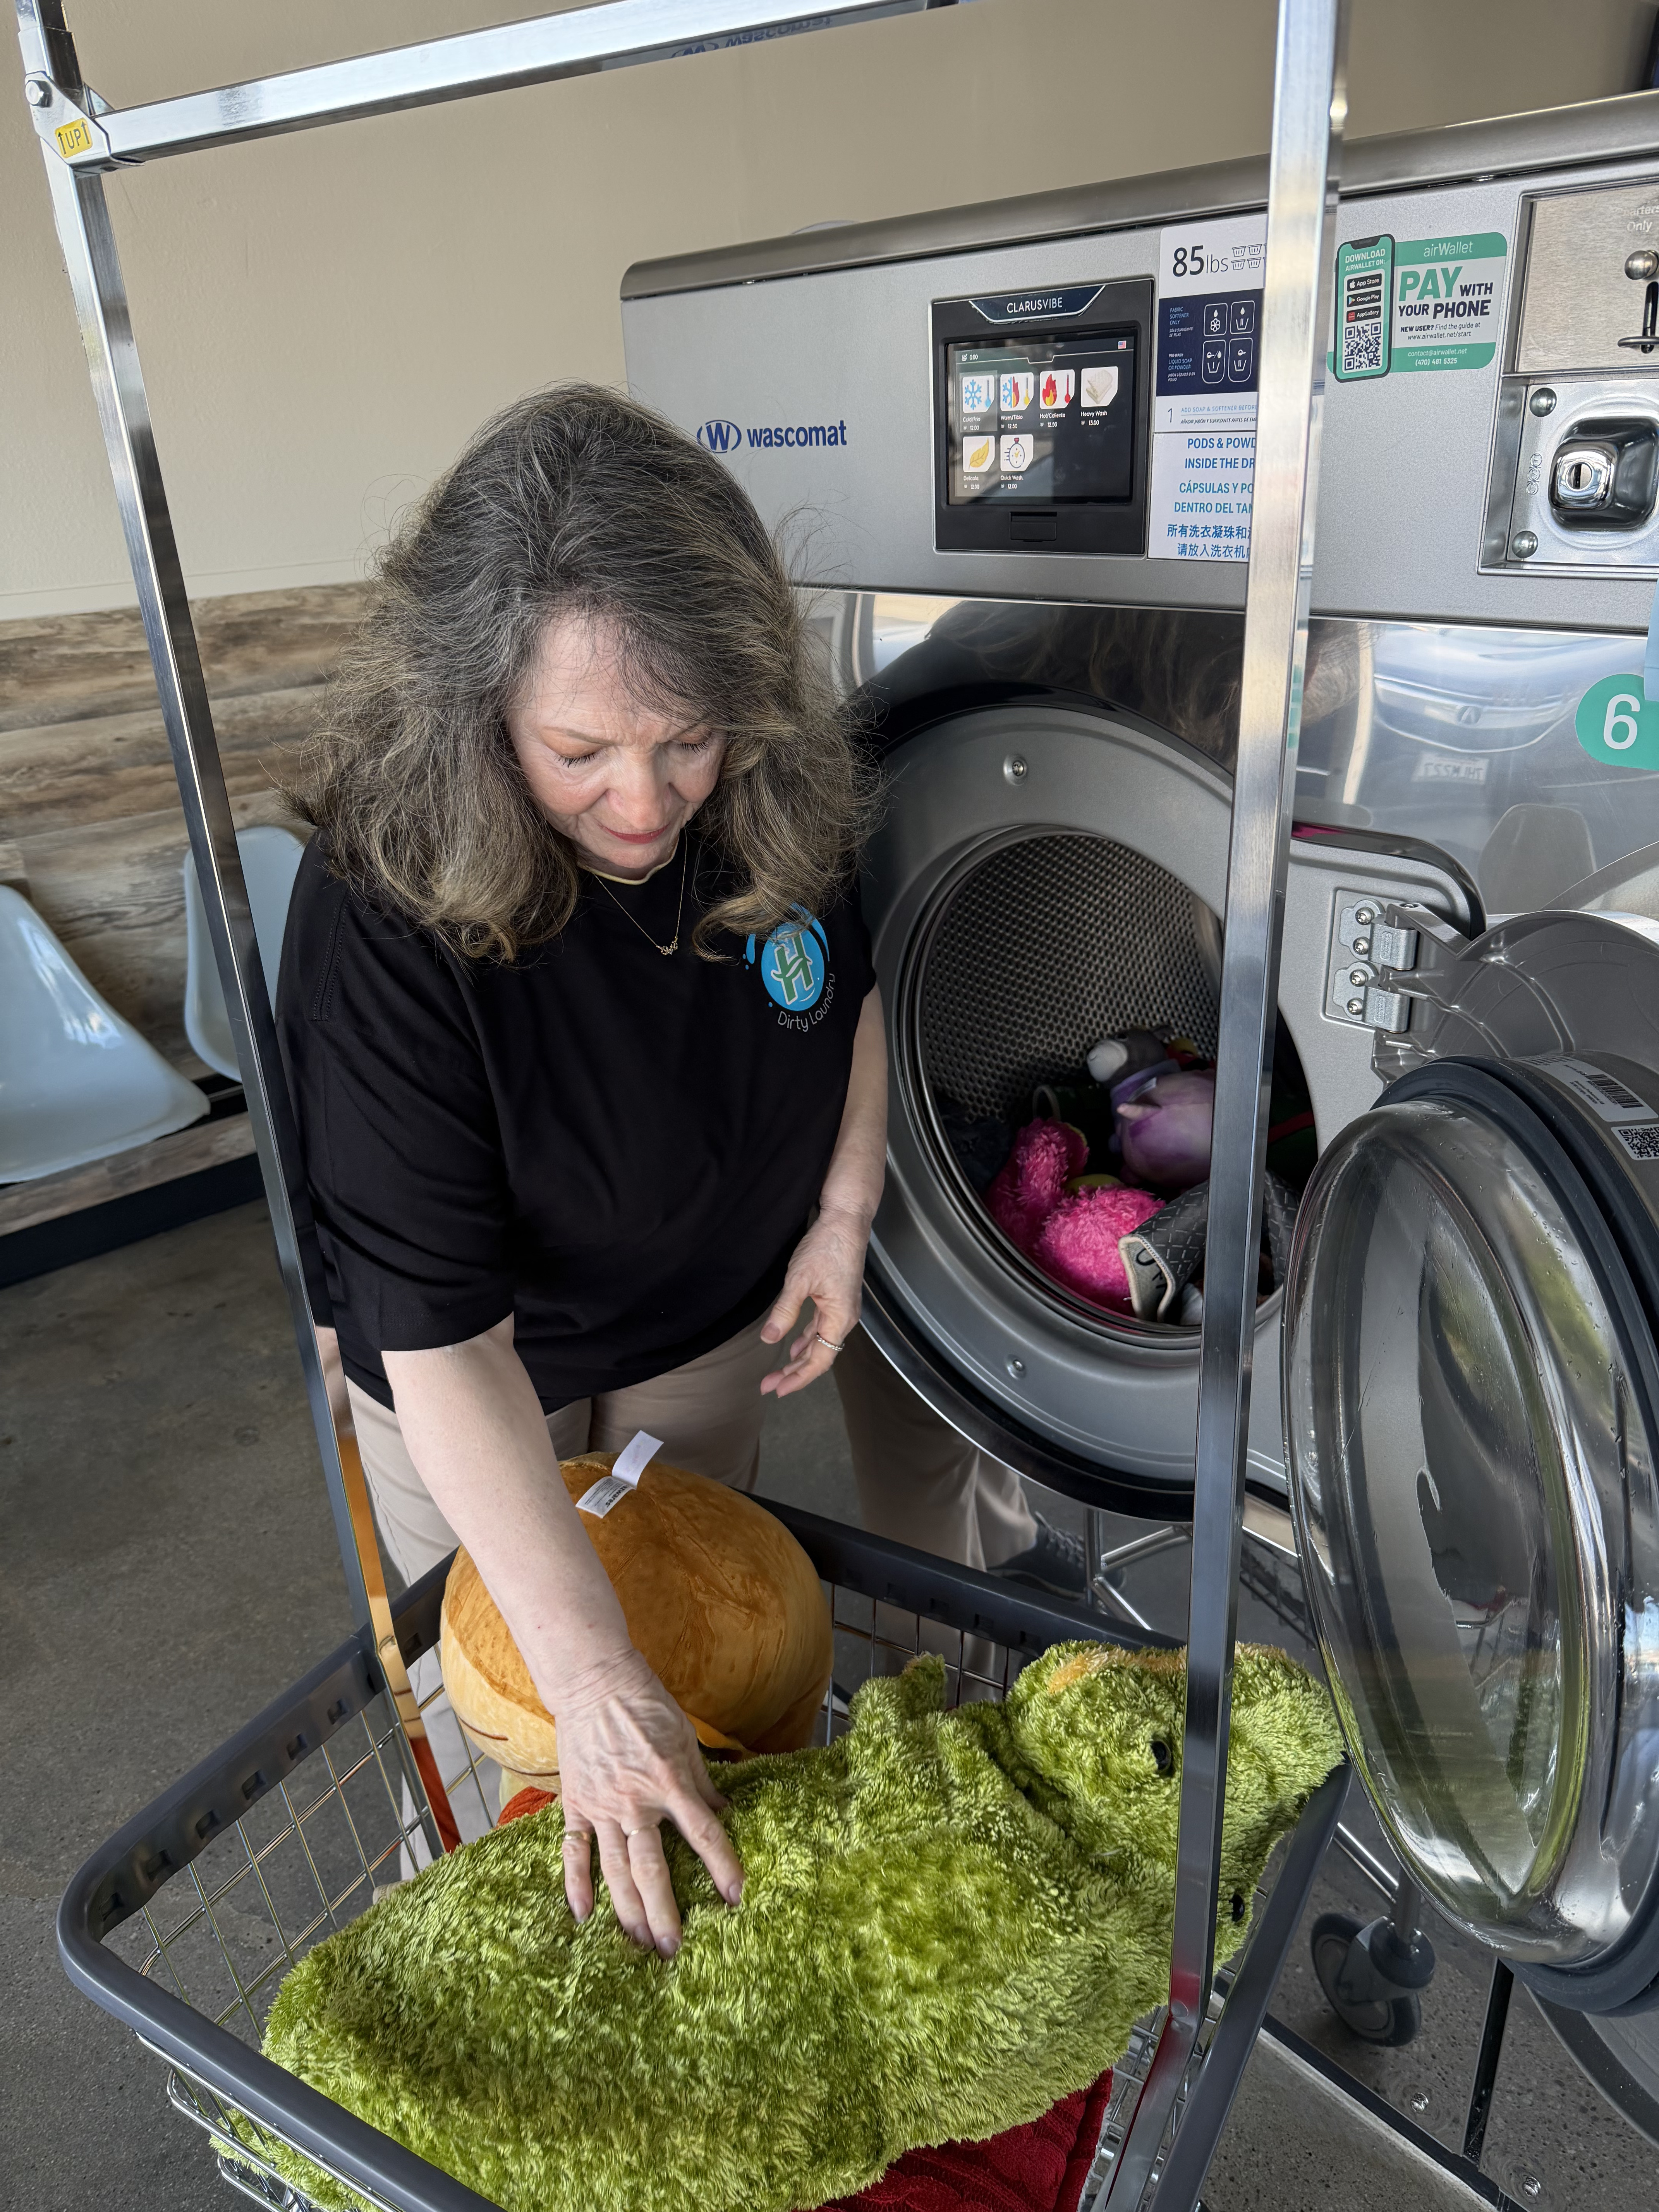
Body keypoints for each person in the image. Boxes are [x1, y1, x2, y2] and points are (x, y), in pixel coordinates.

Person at [276, 385, 1072, 1964]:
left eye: (686, 739)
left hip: (708, 1323)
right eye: (578, 752)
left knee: (702, 1655)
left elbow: (848, 996)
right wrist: (587, 1680)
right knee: (519, 1715)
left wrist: (842, 1214)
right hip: (474, 1374)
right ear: (474, 712)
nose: (643, 805)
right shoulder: (386, 902)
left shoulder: (778, 783)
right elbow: (443, 1343)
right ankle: (500, 1961)